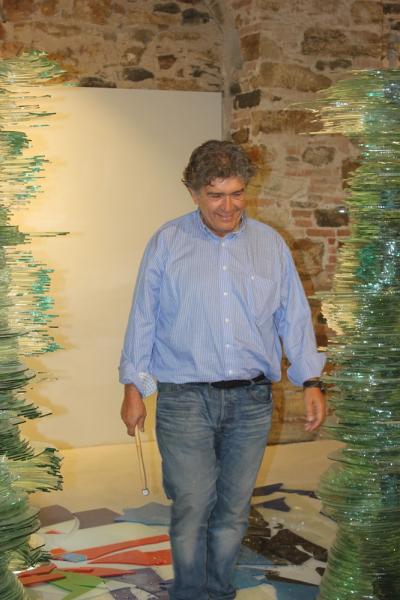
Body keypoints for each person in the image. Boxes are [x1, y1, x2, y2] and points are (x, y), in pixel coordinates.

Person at [119, 140, 326, 600]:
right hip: (185, 398)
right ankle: (190, 593)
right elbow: (144, 317)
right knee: (193, 503)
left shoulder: (269, 245)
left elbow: (293, 317)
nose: (228, 207)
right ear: (193, 193)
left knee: (233, 509)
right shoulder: (168, 243)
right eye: (215, 195)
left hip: (251, 400)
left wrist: (310, 379)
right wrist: (134, 387)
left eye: (236, 194)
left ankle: (220, 590)